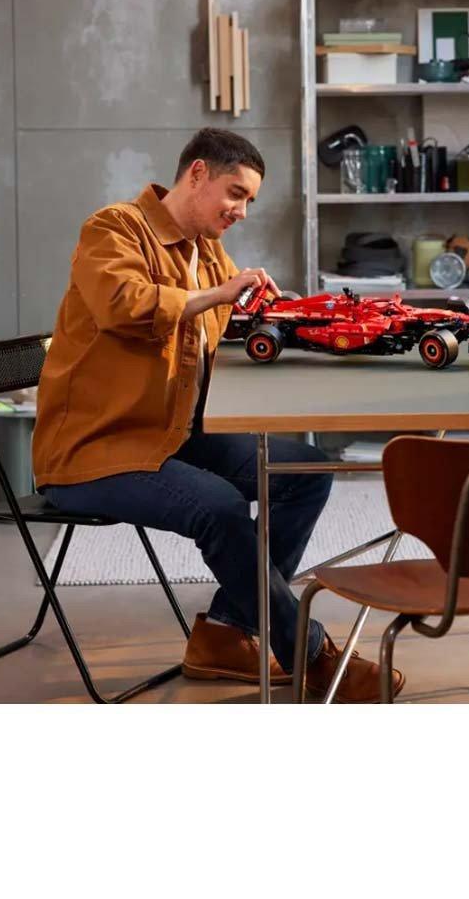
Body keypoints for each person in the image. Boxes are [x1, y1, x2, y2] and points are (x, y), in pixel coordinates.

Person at [32, 127, 404, 702]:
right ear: (197, 173)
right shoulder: (113, 228)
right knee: (221, 507)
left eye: (249, 200)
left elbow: (221, 321)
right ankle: (310, 655)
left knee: (305, 473)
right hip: (93, 450)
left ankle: (228, 634)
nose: (242, 211)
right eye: (236, 193)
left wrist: (277, 311)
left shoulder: (204, 250)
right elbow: (121, 304)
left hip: (168, 433)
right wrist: (219, 294)